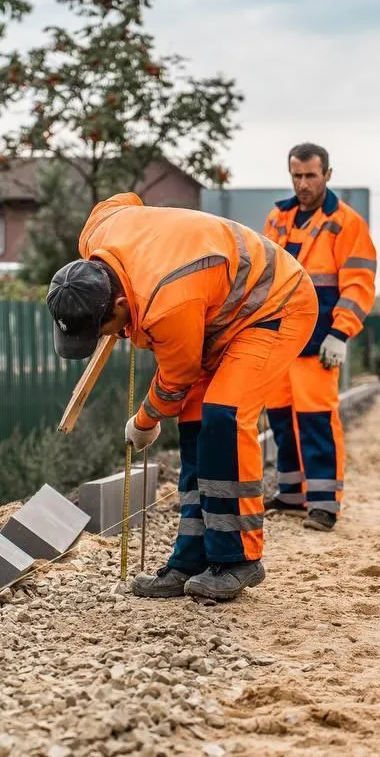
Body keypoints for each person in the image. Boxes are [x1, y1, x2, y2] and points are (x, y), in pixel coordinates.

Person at [46, 192, 317, 601]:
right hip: (213, 313)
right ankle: (190, 558)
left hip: (274, 305)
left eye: (106, 328)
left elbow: (177, 379)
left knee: (224, 415)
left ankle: (239, 558)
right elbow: (123, 200)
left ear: (120, 302)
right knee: (193, 424)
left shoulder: (165, 303)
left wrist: (144, 421)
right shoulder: (97, 236)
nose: (108, 337)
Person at [262, 143, 377, 532]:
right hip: (279, 338)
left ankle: (324, 503)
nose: (303, 183)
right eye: (297, 175)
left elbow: (359, 284)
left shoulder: (347, 223)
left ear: (328, 174)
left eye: (311, 175)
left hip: (318, 341)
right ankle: (292, 493)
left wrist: (340, 334)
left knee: (316, 420)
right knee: (280, 418)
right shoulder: (278, 218)